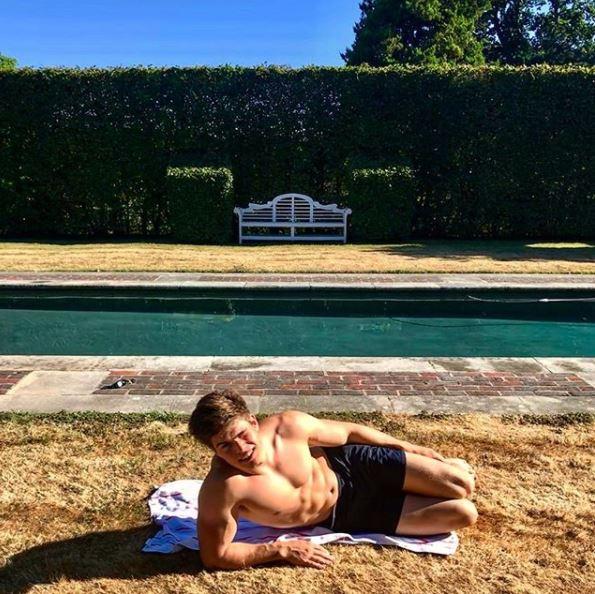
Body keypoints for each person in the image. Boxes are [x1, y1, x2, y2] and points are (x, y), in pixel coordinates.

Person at [188, 389, 478, 570]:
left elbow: (349, 432)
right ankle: (414, 487)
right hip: (346, 514)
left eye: (242, 434)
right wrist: (280, 549)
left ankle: (440, 470)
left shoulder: (287, 426)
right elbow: (215, 555)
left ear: (253, 421)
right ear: (213, 450)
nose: (241, 449)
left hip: (354, 465)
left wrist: (408, 448)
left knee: (461, 484)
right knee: (464, 513)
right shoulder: (223, 489)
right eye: (225, 445)